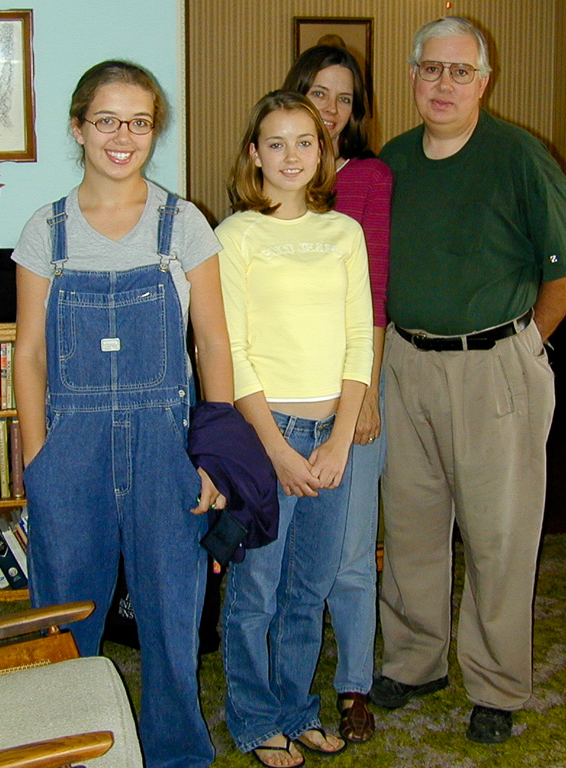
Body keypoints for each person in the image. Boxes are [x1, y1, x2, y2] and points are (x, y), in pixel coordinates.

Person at [369, 17, 566, 746]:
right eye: (431, 69)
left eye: (460, 72)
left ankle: (496, 684)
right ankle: (414, 660)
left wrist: (522, 346)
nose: (443, 85)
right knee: (410, 527)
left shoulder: (521, 157)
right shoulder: (392, 161)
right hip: (405, 364)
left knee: (499, 536)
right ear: (412, 76)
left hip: (495, 367)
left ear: (484, 82)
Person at [12, 60, 232, 768]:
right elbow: (29, 356)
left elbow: (213, 342)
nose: (122, 135)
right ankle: (69, 747)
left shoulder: (184, 225)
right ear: (79, 127)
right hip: (70, 447)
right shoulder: (47, 230)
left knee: (172, 614)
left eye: (139, 122)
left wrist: (216, 452)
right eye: (107, 119)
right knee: (68, 613)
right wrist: (39, 462)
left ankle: (174, 751)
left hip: (166, 447)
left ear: (153, 130)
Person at [216, 90, 373, 768]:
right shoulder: (235, 236)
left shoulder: (344, 233)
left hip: (331, 432)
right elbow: (234, 352)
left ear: (323, 151)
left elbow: (358, 339)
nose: (290, 156)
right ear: (255, 153)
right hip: (264, 435)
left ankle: (294, 709)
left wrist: (339, 439)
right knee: (255, 591)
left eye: (304, 142)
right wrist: (277, 449)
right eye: (275, 143)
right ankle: (252, 719)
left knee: (309, 590)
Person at [282, 45, 391, 743]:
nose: (331, 109)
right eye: (319, 93)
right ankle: (280, 685)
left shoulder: (369, 178)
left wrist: (371, 391)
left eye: (345, 98)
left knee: (351, 549)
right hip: (285, 399)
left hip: (354, 385)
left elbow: (375, 294)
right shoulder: (275, 175)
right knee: (286, 555)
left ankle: (354, 684)